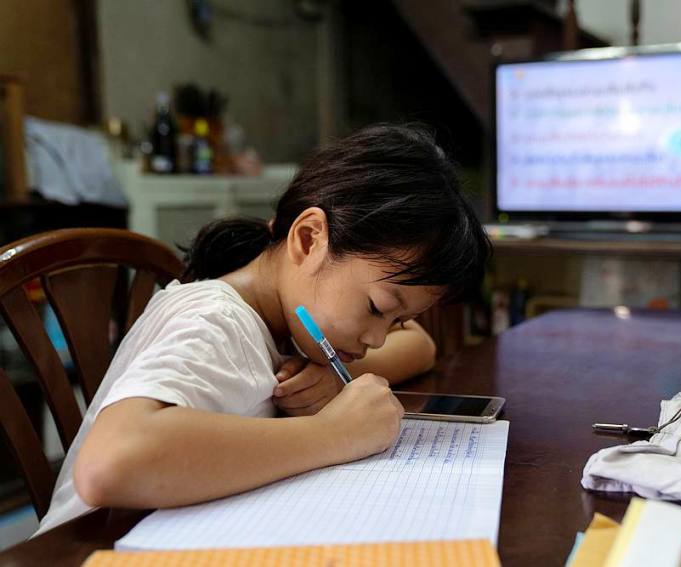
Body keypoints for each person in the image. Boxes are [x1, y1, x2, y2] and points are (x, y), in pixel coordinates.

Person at [34, 124, 491, 535]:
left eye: (394, 320)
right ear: (309, 239)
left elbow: (421, 346)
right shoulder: (216, 321)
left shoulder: (297, 316)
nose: (377, 337)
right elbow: (110, 464)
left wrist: (333, 375)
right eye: (377, 308)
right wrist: (336, 434)